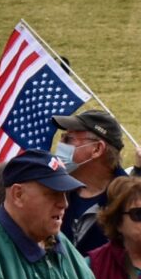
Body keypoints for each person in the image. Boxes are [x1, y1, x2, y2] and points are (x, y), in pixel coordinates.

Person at [53, 108, 129, 255]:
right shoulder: (55, 191)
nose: (60, 144)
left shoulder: (133, 198)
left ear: (97, 149)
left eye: (68, 139)